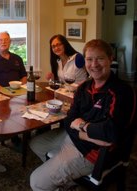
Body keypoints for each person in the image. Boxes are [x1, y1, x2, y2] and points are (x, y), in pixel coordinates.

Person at [29, 39, 135, 190]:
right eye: (89, 59)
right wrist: (85, 132)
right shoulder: (84, 87)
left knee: (36, 182)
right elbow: (69, 121)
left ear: (111, 58)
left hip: (92, 153)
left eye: (100, 58)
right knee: (36, 143)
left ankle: (58, 177)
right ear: (84, 61)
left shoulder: (121, 92)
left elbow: (111, 132)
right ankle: (62, 179)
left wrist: (81, 125)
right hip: (77, 138)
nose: (94, 64)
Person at [29, 34, 89, 161]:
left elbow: (88, 78)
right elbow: (62, 83)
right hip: (65, 95)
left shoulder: (77, 58)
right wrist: (53, 78)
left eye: (58, 44)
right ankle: (48, 136)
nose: (56, 48)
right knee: (46, 108)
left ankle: (63, 140)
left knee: (59, 114)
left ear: (64, 44)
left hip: (78, 97)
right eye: (53, 46)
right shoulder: (57, 61)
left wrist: (81, 87)